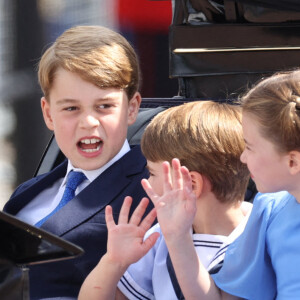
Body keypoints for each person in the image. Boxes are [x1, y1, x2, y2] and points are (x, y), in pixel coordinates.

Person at [3, 25, 152, 299]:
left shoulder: (152, 187)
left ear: (132, 108)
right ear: (48, 114)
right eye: (71, 108)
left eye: (104, 106)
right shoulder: (29, 192)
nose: (88, 122)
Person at [138, 69, 300, 300]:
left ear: (293, 161)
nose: (242, 158)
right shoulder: (269, 210)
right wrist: (177, 237)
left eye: (250, 147)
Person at [78, 100, 252, 300]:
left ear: (191, 184)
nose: (146, 181)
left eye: (152, 173)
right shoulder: (159, 235)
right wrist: (113, 261)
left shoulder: (254, 238)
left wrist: (177, 239)